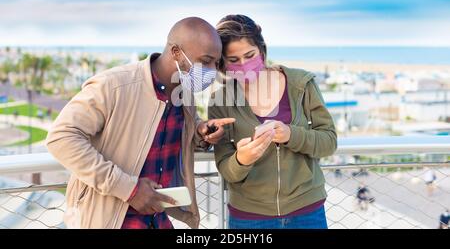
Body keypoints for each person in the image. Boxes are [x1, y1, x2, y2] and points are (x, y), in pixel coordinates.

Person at [46, 17, 235, 229]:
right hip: (109, 219)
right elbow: (61, 137)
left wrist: (199, 132)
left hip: (156, 216)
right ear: (176, 52)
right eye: (206, 60)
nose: (211, 70)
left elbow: (160, 130)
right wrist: (130, 189)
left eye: (215, 63)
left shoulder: (184, 92)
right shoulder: (114, 85)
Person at [208, 15, 337, 229]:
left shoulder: (301, 84)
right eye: (233, 60)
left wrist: (290, 134)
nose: (244, 64)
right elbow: (227, 170)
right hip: (249, 218)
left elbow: (329, 142)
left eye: (250, 55)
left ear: (262, 50)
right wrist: (242, 159)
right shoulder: (220, 101)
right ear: (223, 64)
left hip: (307, 212)